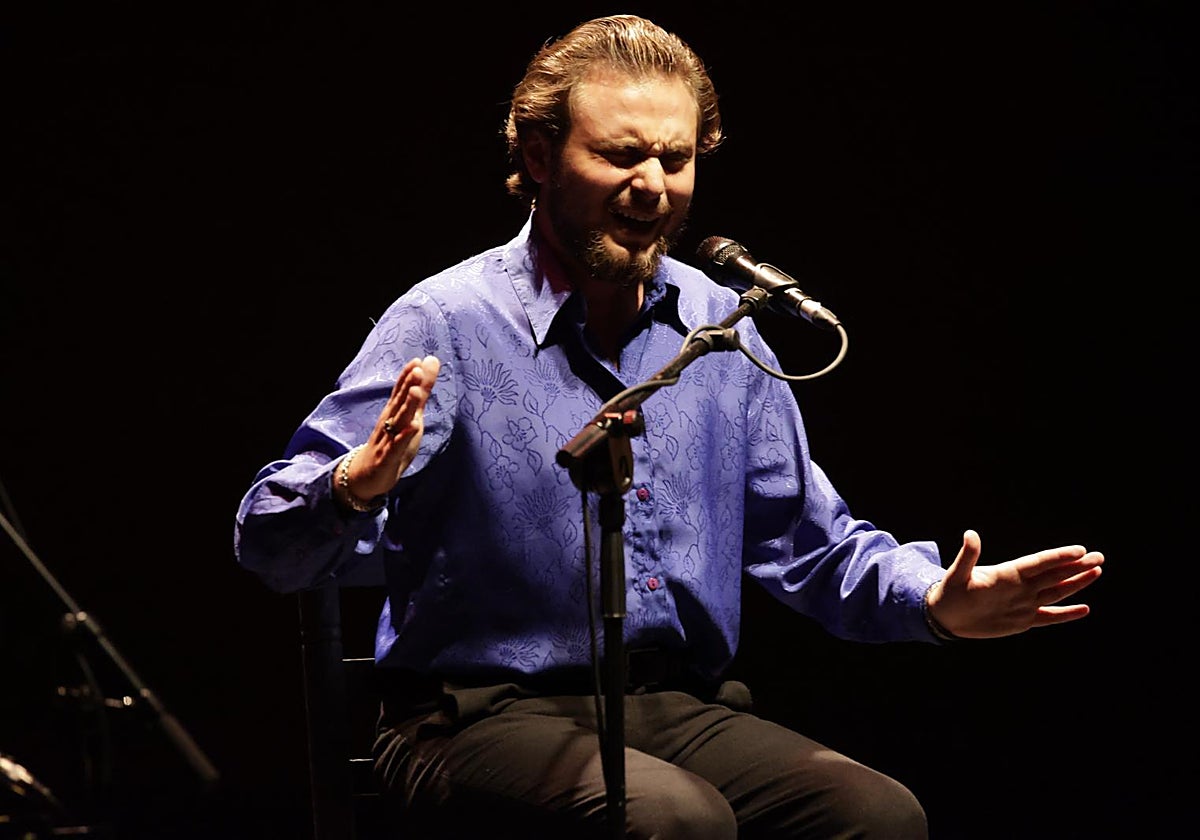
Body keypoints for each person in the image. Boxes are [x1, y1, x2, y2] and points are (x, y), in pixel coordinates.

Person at [234, 14, 1104, 839]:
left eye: (675, 158)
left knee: (875, 816)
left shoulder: (720, 320)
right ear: (538, 157)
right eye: (620, 154)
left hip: (675, 708)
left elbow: (813, 543)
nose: (653, 184)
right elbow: (267, 541)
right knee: (674, 822)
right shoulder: (447, 319)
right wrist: (355, 485)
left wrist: (932, 600)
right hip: (474, 716)